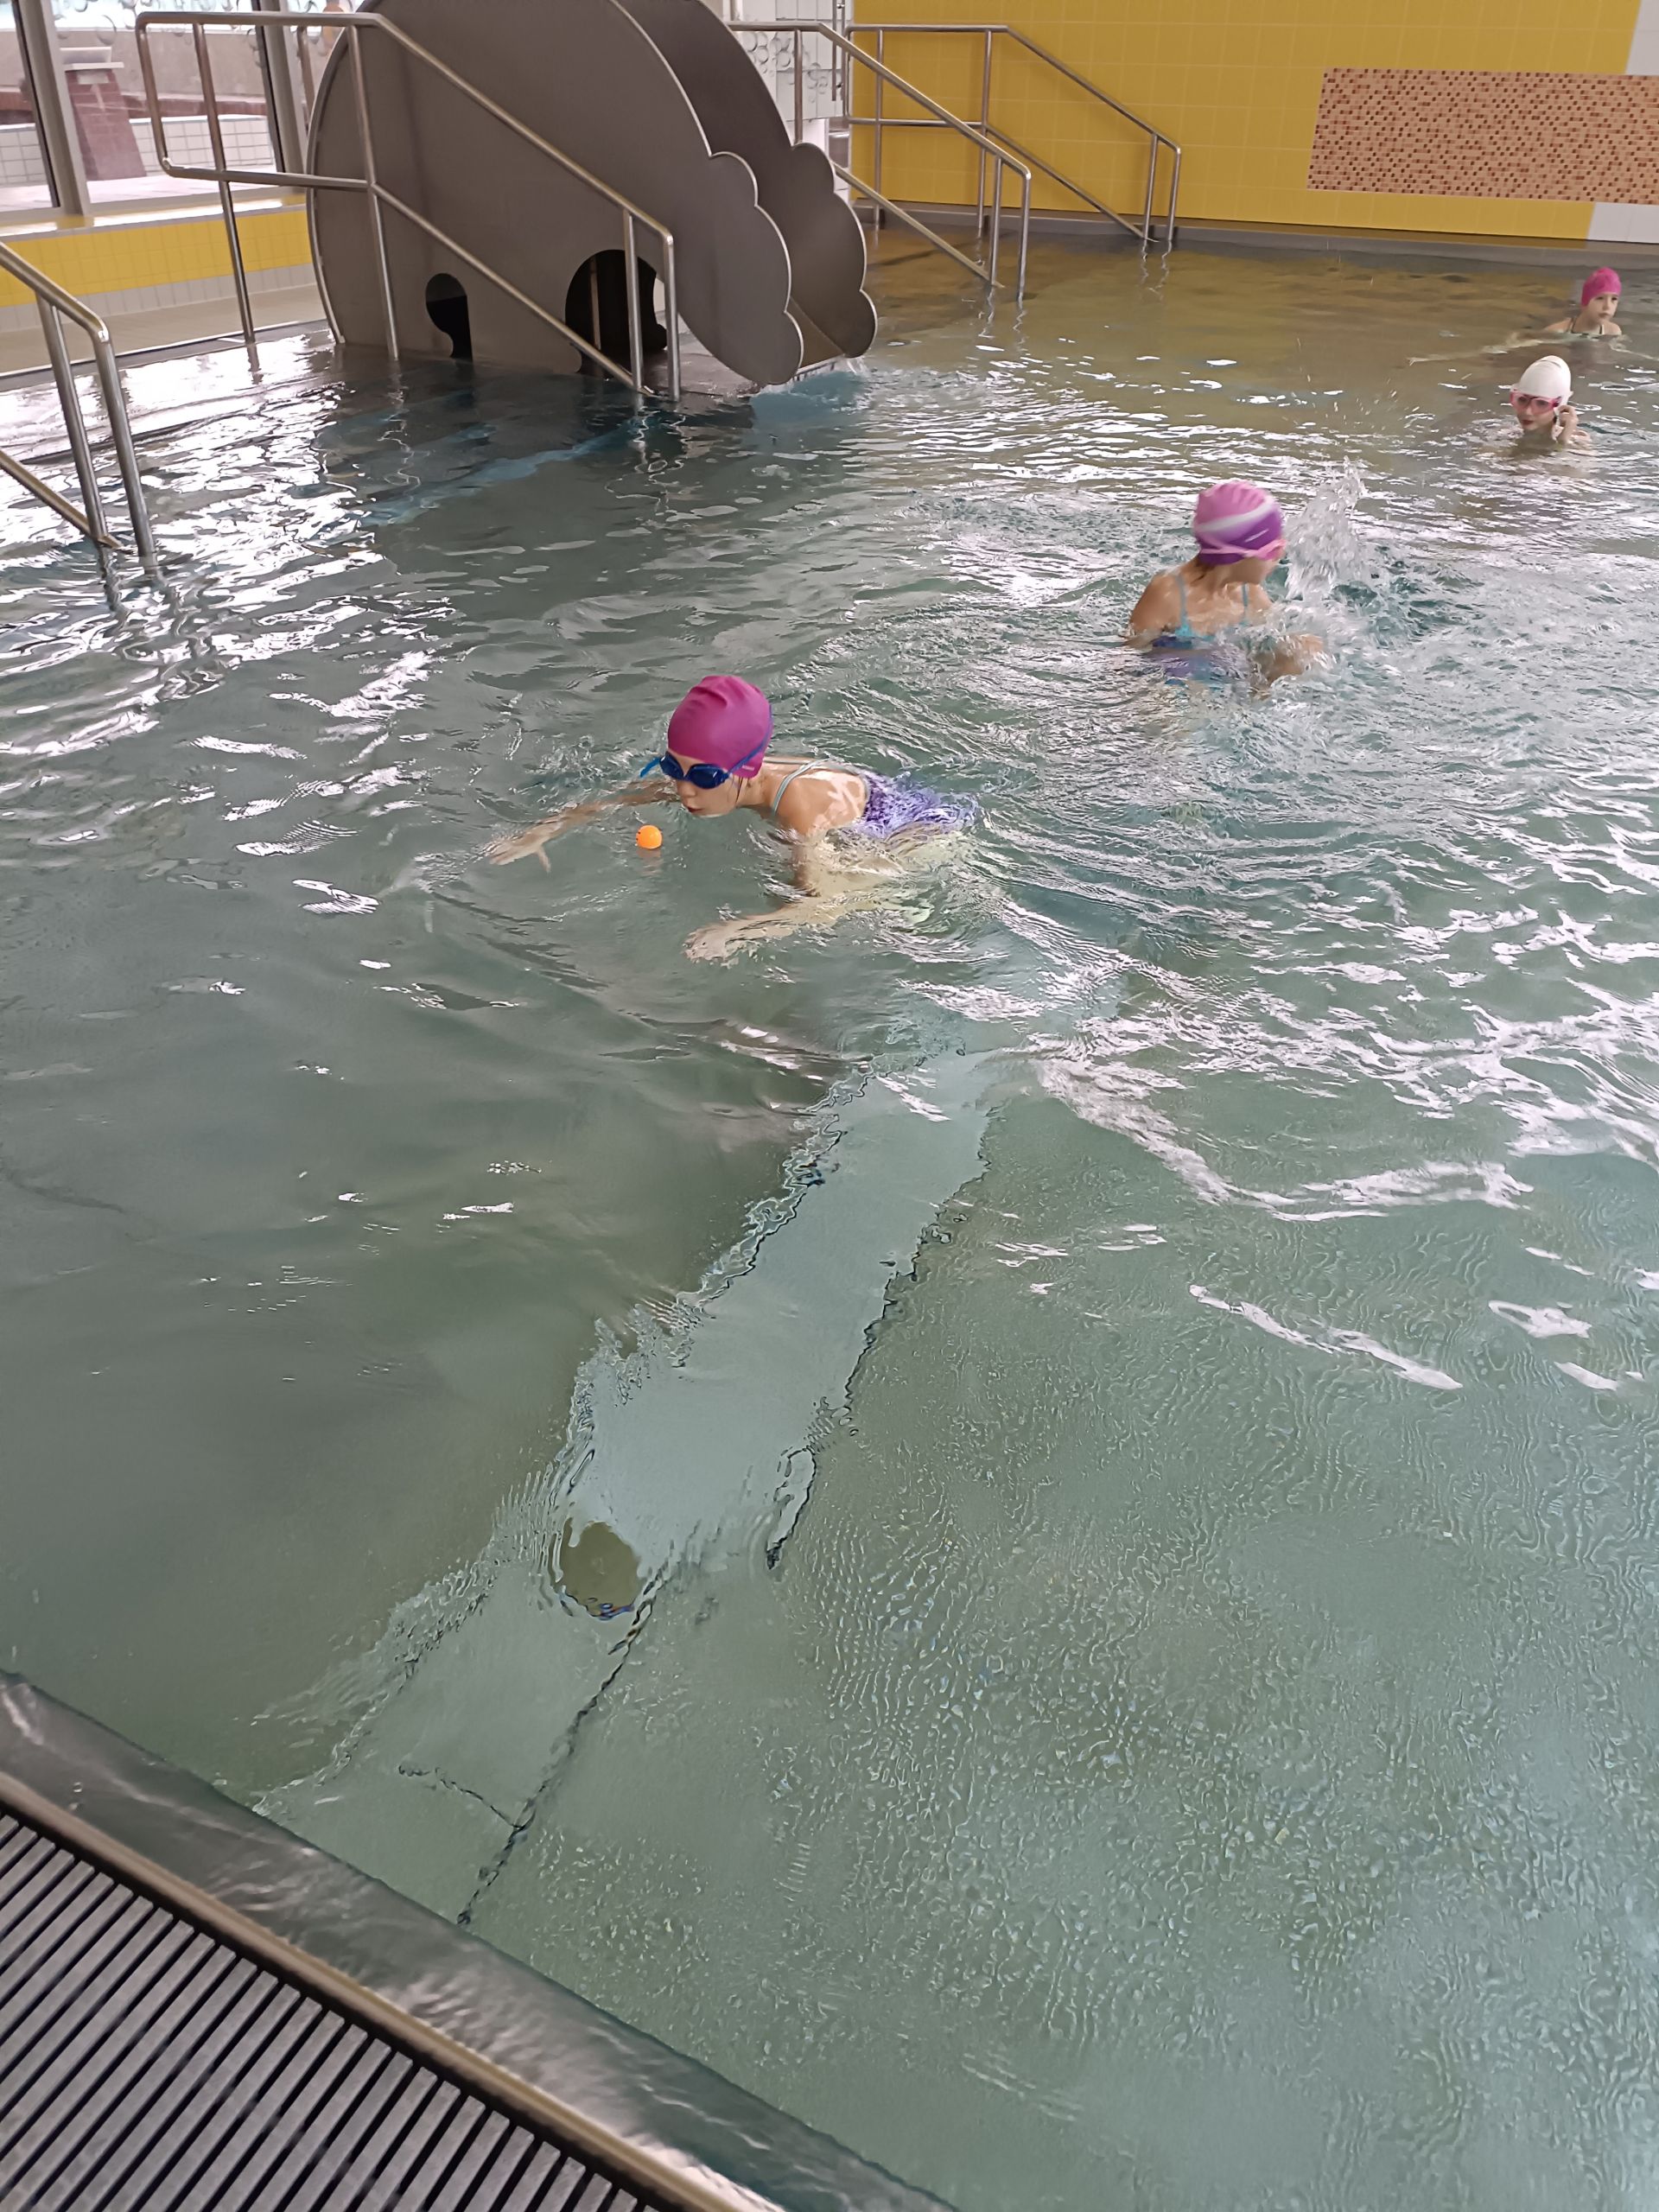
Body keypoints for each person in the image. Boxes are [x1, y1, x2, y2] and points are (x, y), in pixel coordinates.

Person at [488, 675, 975, 959]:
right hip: (863, 795)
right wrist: (542, 832)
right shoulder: (708, 773)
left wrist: (737, 931)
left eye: (700, 777)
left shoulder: (798, 813)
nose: (683, 790)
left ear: (745, 771)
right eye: (672, 768)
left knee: (854, 896)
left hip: (914, 829)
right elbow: (616, 798)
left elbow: (821, 906)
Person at [1126, 480, 1319, 683]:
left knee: (1302, 651)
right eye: (1272, 550)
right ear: (1237, 556)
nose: (1281, 555)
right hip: (1174, 686)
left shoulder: (1251, 597)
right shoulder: (1167, 593)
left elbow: (1263, 657)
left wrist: (1289, 656)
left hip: (1227, 686)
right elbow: (1130, 661)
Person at [1509, 355, 1584, 448]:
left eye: (1541, 403)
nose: (1527, 411)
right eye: (1522, 400)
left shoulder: (1579, 441)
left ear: (1560, 406)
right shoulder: (1505, 435)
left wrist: (1563, 442)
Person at [1543, 267, 1622, 340]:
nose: (1607, 306)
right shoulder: (1555, 332)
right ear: (1585, 303)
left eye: (1614, 299)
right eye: (1600, 298)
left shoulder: (1613, 332)